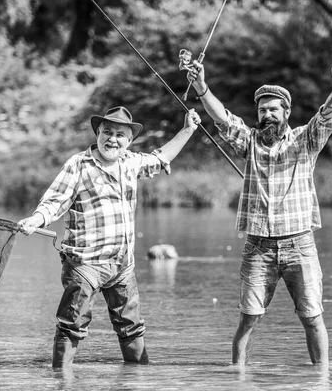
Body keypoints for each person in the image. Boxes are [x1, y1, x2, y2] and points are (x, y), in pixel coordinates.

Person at [186, 61, 332, 365]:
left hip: (299, 246)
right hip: (258, 247)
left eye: (274, 109)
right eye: (263, 110)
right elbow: (223, 119)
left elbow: (326, 116)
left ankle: (321, 382)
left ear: (286, 112)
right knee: (248, 321)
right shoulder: (249, 141)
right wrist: (201, 87)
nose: (268, 115)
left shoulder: (305, 140)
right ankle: (238, 381)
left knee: (313, 319)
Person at [18, 106, 200, 370]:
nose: (112, 139)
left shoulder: (130, 162)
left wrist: (188, 129)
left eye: (119, 135)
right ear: (98, 133)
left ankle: (137, 379)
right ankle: (61, 381)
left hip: (122, 266)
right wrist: (36, 220)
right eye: (107, 132)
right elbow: (54, 202)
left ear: (128, 141)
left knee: (132, 327)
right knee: (72, 325)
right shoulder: (78, 164)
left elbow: (161, 158)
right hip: (84, 264)